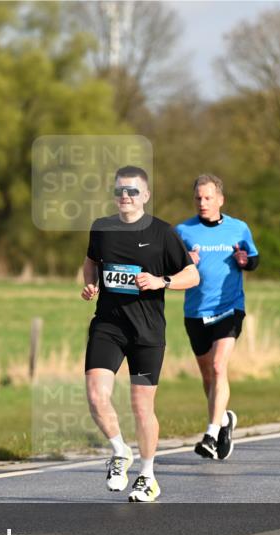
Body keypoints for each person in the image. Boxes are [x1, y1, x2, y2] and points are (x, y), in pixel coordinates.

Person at [82, 165, 199, 502]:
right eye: (120, 190)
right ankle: (120, 451)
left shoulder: (163, 233)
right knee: (95, 394)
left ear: (145, 196)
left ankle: (147, 476)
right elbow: (91, 261)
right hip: (108, 324)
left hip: (147, 331)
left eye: (132, 191)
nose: (125, 196)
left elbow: (192, 276)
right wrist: (90, 282)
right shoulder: (102, 228)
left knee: (141, 405)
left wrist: (162, 281)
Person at [175, 174, 259, 460]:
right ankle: (224, 420)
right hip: (196, 311)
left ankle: (211, 433)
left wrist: (245, 262)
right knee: (208, 376)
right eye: (198, 197)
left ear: (220, 200)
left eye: (208, 197)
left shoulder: (239, 228)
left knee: (219, 365)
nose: (203, 202)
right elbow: (170, 268)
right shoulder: (183, 231)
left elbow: (254, 259)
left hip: (229, 308)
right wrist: (185, 261)